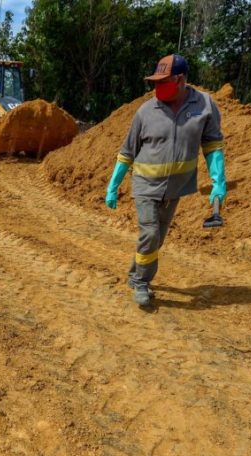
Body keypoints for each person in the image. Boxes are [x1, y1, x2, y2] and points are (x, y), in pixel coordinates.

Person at [105, 54, 227, 307]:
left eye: (163, 81)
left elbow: (212, 144)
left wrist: (218, 180)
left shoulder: (204, 105)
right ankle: (141, 283)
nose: (157, 87)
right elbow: (127, 151)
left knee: (156, 238)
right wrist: (113, 186)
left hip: (176, 188)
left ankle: (135, 273)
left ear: (180, 80)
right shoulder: (146, 111)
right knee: (150, 233)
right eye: (155, 82)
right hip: (145, 185)